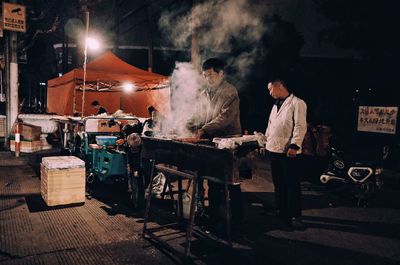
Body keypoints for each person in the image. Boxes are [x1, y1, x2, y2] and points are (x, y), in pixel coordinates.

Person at [189, 57, 243, 234]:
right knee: (214, 183)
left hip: (229, 142)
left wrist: (203, 129)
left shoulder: (230, 92)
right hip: (212, 142)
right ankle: (215, 221)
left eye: (210, 75)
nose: (207, 79)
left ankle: (236, 222)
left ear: (221, 73)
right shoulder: (205, 92)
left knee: (232, 184)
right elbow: (199, 114)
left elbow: (225, 118)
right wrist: (187, 122)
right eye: (205, 76)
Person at [263, 77, 307, 230]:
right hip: (274, 149)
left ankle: (295, 216)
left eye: (270, 89)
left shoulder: (297, 103)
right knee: (279, 184)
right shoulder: (275, 105)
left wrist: (295, 145)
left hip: (289, 151)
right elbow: (271, 125)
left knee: (292, 185)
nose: (269, 93)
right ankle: (281, 210)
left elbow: (300, 126)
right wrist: (265, 142)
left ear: (279, 86)